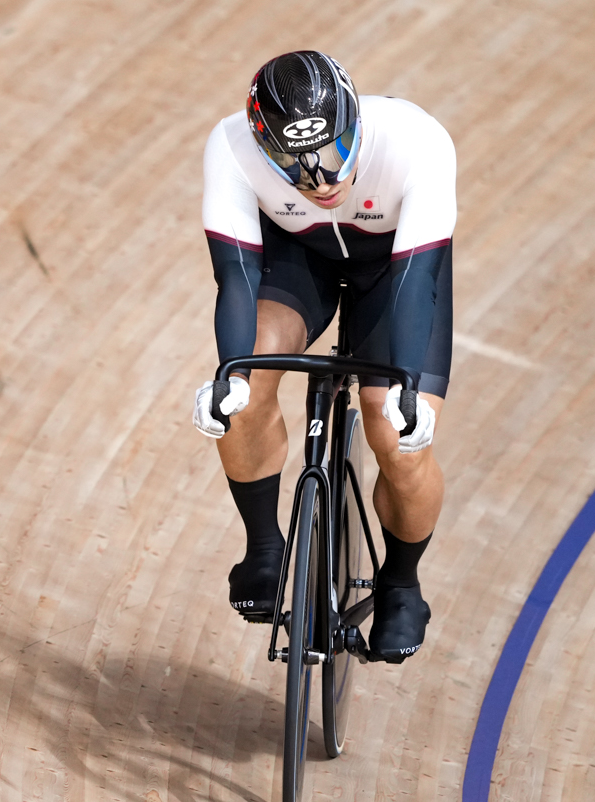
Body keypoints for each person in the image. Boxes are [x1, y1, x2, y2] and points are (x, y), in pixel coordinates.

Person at [191, 50, 455, 661]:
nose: (322, 183)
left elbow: (418, 280)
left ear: (356, 123)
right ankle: (264, 548)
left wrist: (407, 391)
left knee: (395, 434)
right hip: (296, 261)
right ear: (263, 149)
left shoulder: (416, 142)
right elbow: (235, 277)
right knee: (244, 387)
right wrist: (228, 373)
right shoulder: (230, 145)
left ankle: (400, 582)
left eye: (335, 157)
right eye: (295, 170)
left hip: (395, 272)